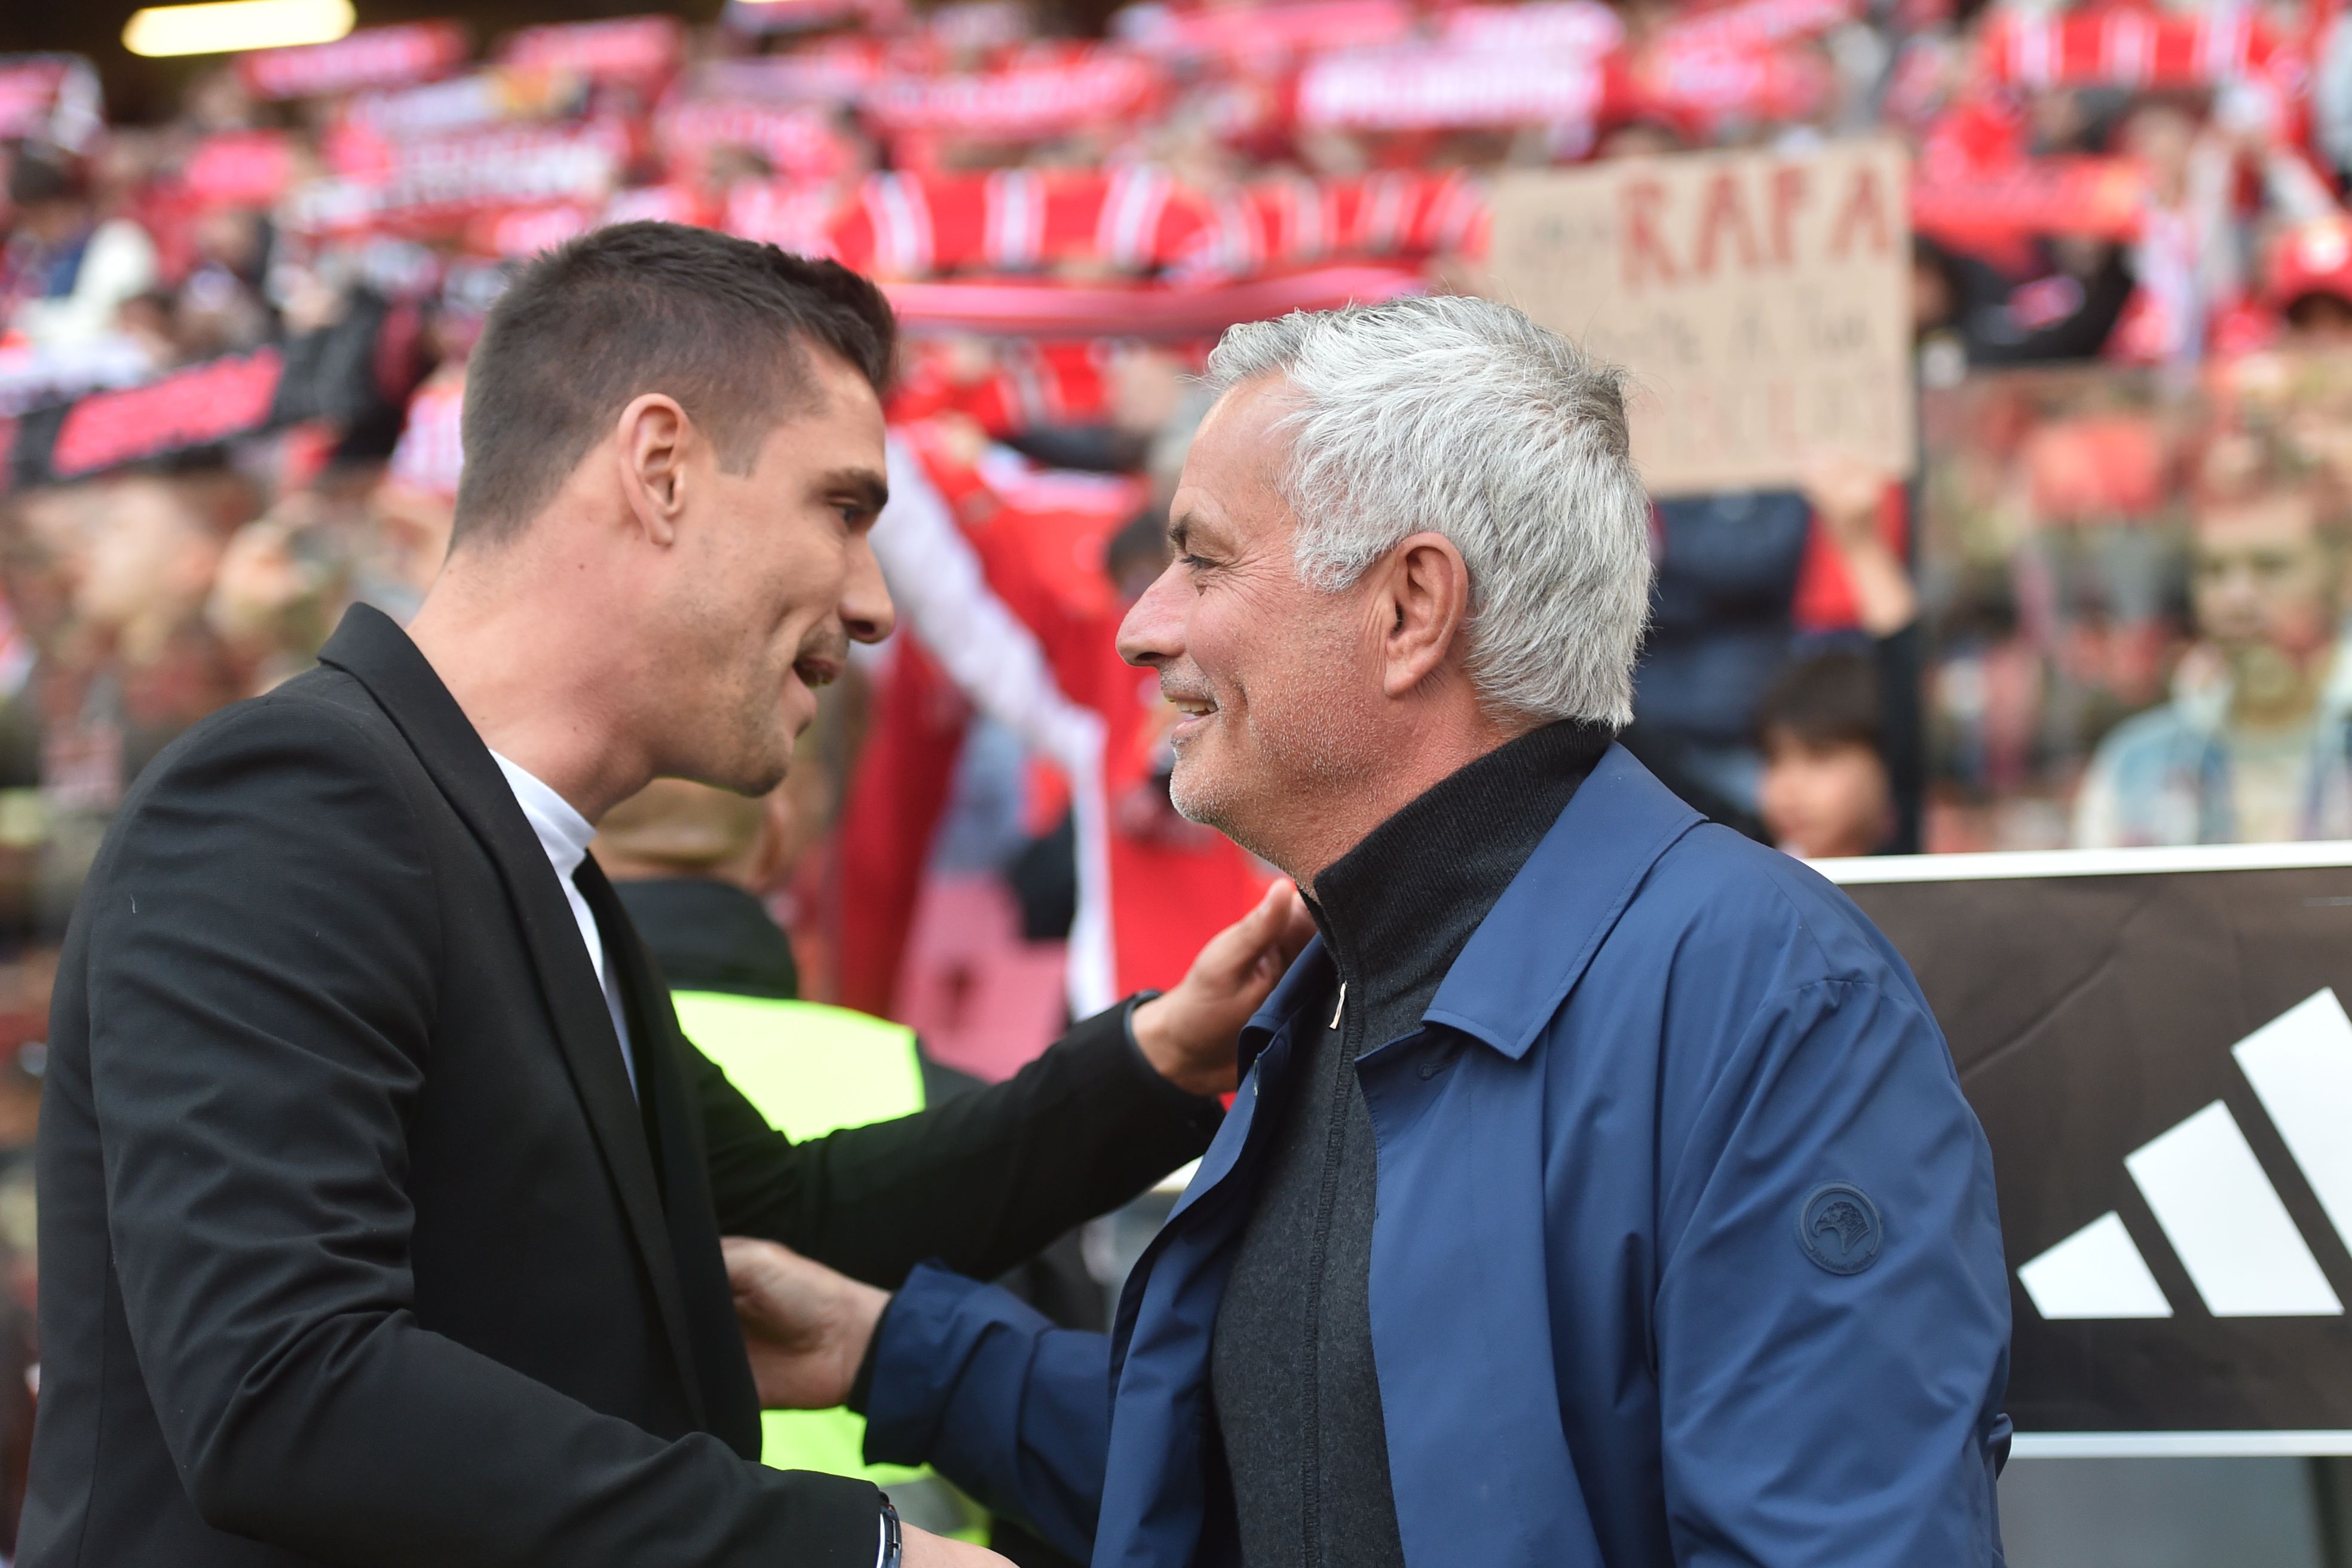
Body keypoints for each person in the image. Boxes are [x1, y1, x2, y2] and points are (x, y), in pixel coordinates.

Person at [23, 222, 1316, 1568]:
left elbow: (797, 1222)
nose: (874, 604)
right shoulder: (297, 797)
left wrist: (1160, 1058)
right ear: (660, 469)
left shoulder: (524, 859)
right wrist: (857, 1554)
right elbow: (282, 1388)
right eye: (843, 508)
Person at [722, 296, 2013, 1568]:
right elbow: (1281, 1468)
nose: (1142, 625)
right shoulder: (1337, 975)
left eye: (1204, 558)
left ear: (1410, 609)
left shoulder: (1769, 996)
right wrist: (893, 1349)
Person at [2074, 430, 2352, 847]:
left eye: (2271, 567)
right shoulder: (2134, 768)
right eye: (2214, 570)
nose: (2236, 599)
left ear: (2341, 578)